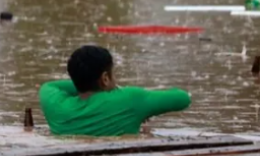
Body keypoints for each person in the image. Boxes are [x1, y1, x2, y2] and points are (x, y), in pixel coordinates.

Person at [39, 45, 190, 136]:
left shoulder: (55, 105)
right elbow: (183, 98)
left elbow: (51, 86)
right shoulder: (130, 99)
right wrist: (118, 89)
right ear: (105, 78)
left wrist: (82, 81)